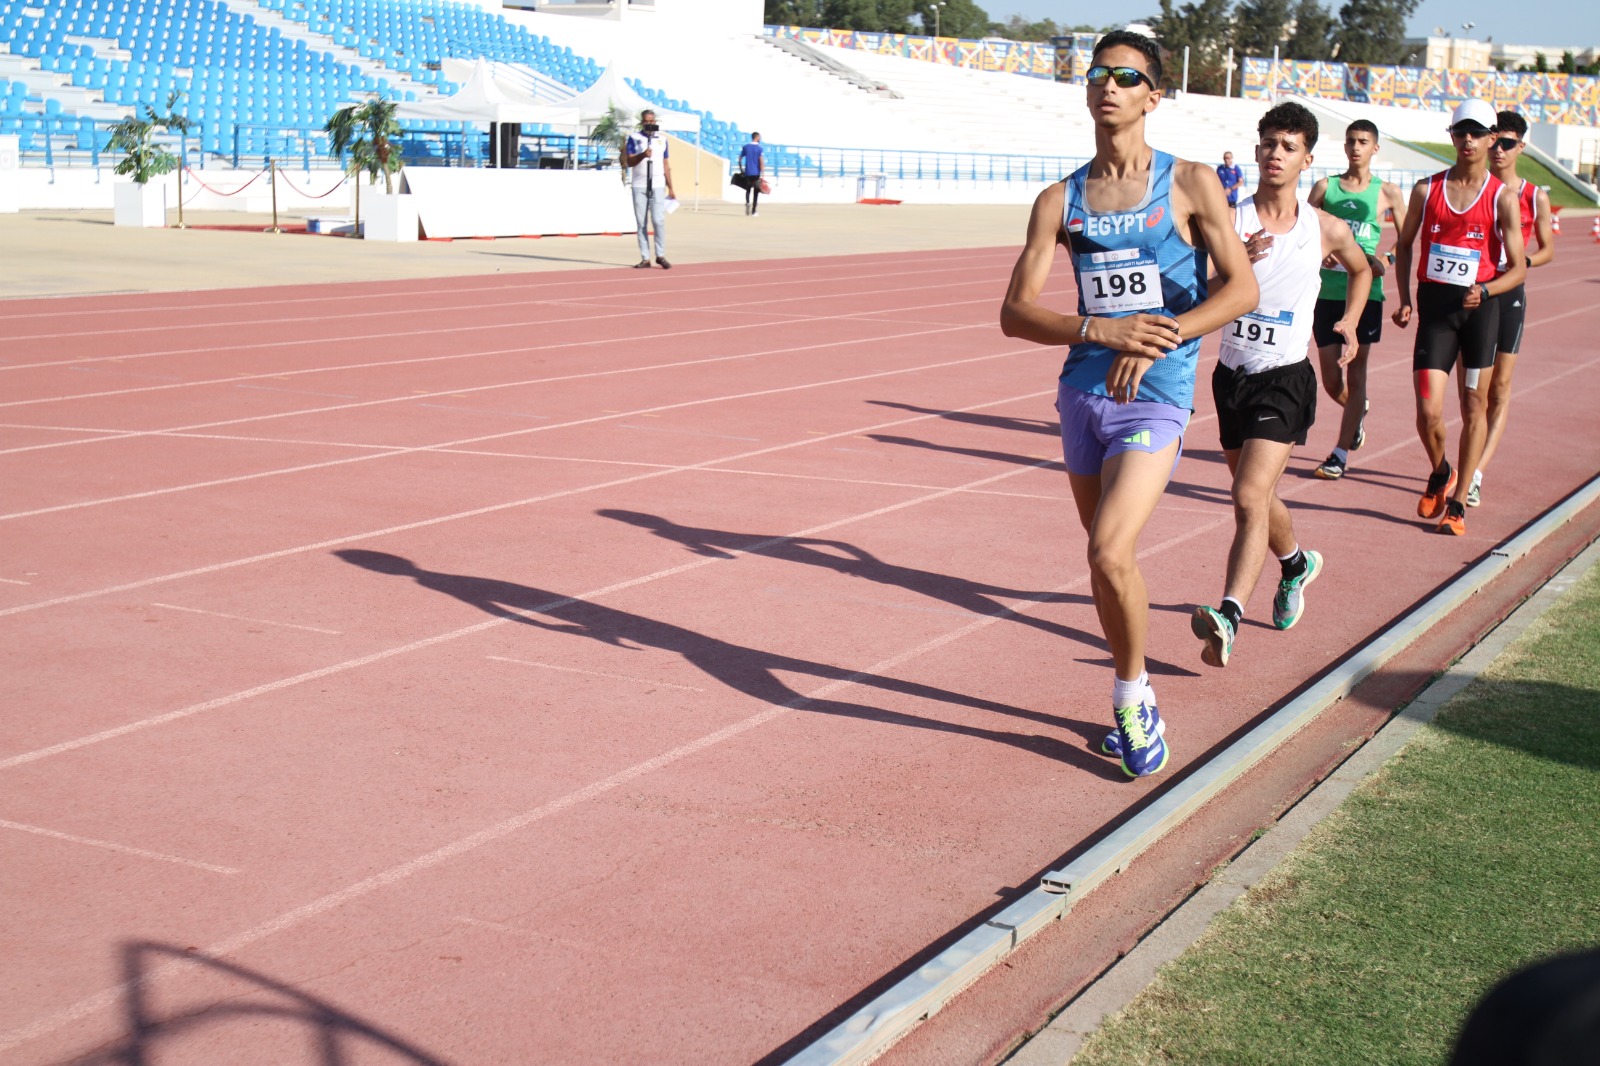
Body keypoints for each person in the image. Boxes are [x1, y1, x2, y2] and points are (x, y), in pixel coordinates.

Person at [1000, 30, 1258, 778]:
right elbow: (1015, 313)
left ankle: (1131, 698)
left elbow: (1241, 290)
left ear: (1153, 96)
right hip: (1084, 395)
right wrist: (1099, 330)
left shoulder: (1192, 183)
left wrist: (1157, 338)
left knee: (1108, 549)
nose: (1108, 85)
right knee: (1107, 563)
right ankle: (1134, 679)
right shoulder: (1060, 200)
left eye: (1126, 76)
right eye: (1098, 74)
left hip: (1158, 397)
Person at [1190, 102, 1372, 669]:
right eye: (1269, 143)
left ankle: (1229, 614)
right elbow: (1195, 298)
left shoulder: (1325, 229)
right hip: (1232, 377)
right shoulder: (1229, 220)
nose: (1276, 153)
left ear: (1306, 160)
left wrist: (1349, 321)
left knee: (1247, 496)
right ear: (1256, 150)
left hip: (1286, 378)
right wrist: (1233, 267)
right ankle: (1295, 564)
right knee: (1260, 497)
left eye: (1289, 146)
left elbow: (1363, 269)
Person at [1391, 98, 1525, 536]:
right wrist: (1405, 297)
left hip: (1479, 312)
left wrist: (1485, 289)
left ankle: (1459, 501)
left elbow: (1518, 269)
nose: (1468, 140)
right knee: (1428, 411)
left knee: (1472, 405)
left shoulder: (1502, 198)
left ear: (1491, 138)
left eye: (1477, 133)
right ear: (1451, 136)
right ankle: (1441, 470)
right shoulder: (1426, 190)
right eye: (1461, 132)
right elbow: (1404, 245)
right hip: (1435, 311)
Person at [1307, 119, 1409, 481]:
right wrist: (1320, 254)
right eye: (1350, 141)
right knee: (1332, 382)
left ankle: (1339, 453)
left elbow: (1407, 239)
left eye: (1363, 141)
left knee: (1358, 368)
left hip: (1366, 294)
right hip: (1326, 292)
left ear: (1375, 148)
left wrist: (1386, 261)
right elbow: (1302, 228)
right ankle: (1358, 409)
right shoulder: (1326, 187)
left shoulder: (1388, 193)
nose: (1355, 147)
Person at [1467, 110, 1556, 508]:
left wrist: (1520, 264)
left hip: (1510, 293)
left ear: (1521, 147)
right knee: (1474, 391)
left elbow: (1548, 249)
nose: (1499, 150)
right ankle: (1466, 458)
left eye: (1507, 143)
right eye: (1495, 142)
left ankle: (1475, 473)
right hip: (1476, 292)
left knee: (1500, 388)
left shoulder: (1535, 195)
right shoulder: (1476, 188)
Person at [623, 109, 675, 269]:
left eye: (651, 121)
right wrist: (643, 155)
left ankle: (660, 255)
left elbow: (665, 164)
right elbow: (629, 161)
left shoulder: (662, 139)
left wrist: (671, 187)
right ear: (642, 122)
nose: (649, 124)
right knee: (641, 223)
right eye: (646, 121)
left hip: (658, 184)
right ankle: (645, 257)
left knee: (658, 221)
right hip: (639, 184)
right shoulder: (634, 138)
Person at [738, 131, 764, 216]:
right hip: (756, 172)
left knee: (748, 189)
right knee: (756, 191)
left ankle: (748, 202)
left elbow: (740, 159)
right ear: (757, 137)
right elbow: (761, 161)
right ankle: (754, 211)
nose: (760, 138)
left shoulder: (746, 147)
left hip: (748, 172)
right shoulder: (760, 148)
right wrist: (763, 172)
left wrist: (741, 169)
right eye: (759, 137)